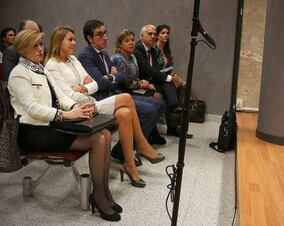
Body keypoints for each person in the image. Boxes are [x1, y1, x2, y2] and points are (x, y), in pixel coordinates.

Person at [8, 30, 120, 221]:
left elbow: (60, 95)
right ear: (22, 49)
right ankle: (99, 196)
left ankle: (104, 192)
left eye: (41, 44)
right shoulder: (18, 74)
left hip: (52, 124)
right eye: (35, 45)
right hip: (33, 131)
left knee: (105, 134)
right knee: (98, 140)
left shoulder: (40, 68)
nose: (40, 48)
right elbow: (33, 109)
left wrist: (76, 107)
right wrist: (65, 115)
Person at [45, 26, 164, 186]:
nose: (74, 42)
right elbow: (70, 96)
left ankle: (130, 166)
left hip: (90, 103)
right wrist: (87, 86)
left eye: (74, 39)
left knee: (124, 113)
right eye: (70, 39)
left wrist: (83, 87)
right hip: (79, 111)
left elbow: (93, 83)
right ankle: (142, 145)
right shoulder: (52, 65)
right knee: (126, 98)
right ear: (58, 42)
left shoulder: (73, 60)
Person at [77, 20, 166, 146]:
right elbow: (101, 84)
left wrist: (110, 77)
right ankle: (125, 150)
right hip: (103, 98)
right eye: (100, 34)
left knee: (160, 104)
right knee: (149, 109)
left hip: (116, 92)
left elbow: (119, 76)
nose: (105, 37)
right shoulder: (86, 56)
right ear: (89, 38)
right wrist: (113, 76)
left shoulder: (105, 54)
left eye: (105, 33)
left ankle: (137, 143)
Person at [135, 24, 192, 138]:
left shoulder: (152, 49)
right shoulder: (139, 49)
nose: (153, 36)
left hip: (154, 80)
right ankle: (174, 111)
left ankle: (173, 126)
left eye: (154, 34)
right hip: (143, 83)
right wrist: (170, 77)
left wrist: (172, 76)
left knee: (176, 86)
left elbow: (157, 69)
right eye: (150, 34)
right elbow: (149, 70)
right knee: (169, 86)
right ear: (141, 36)